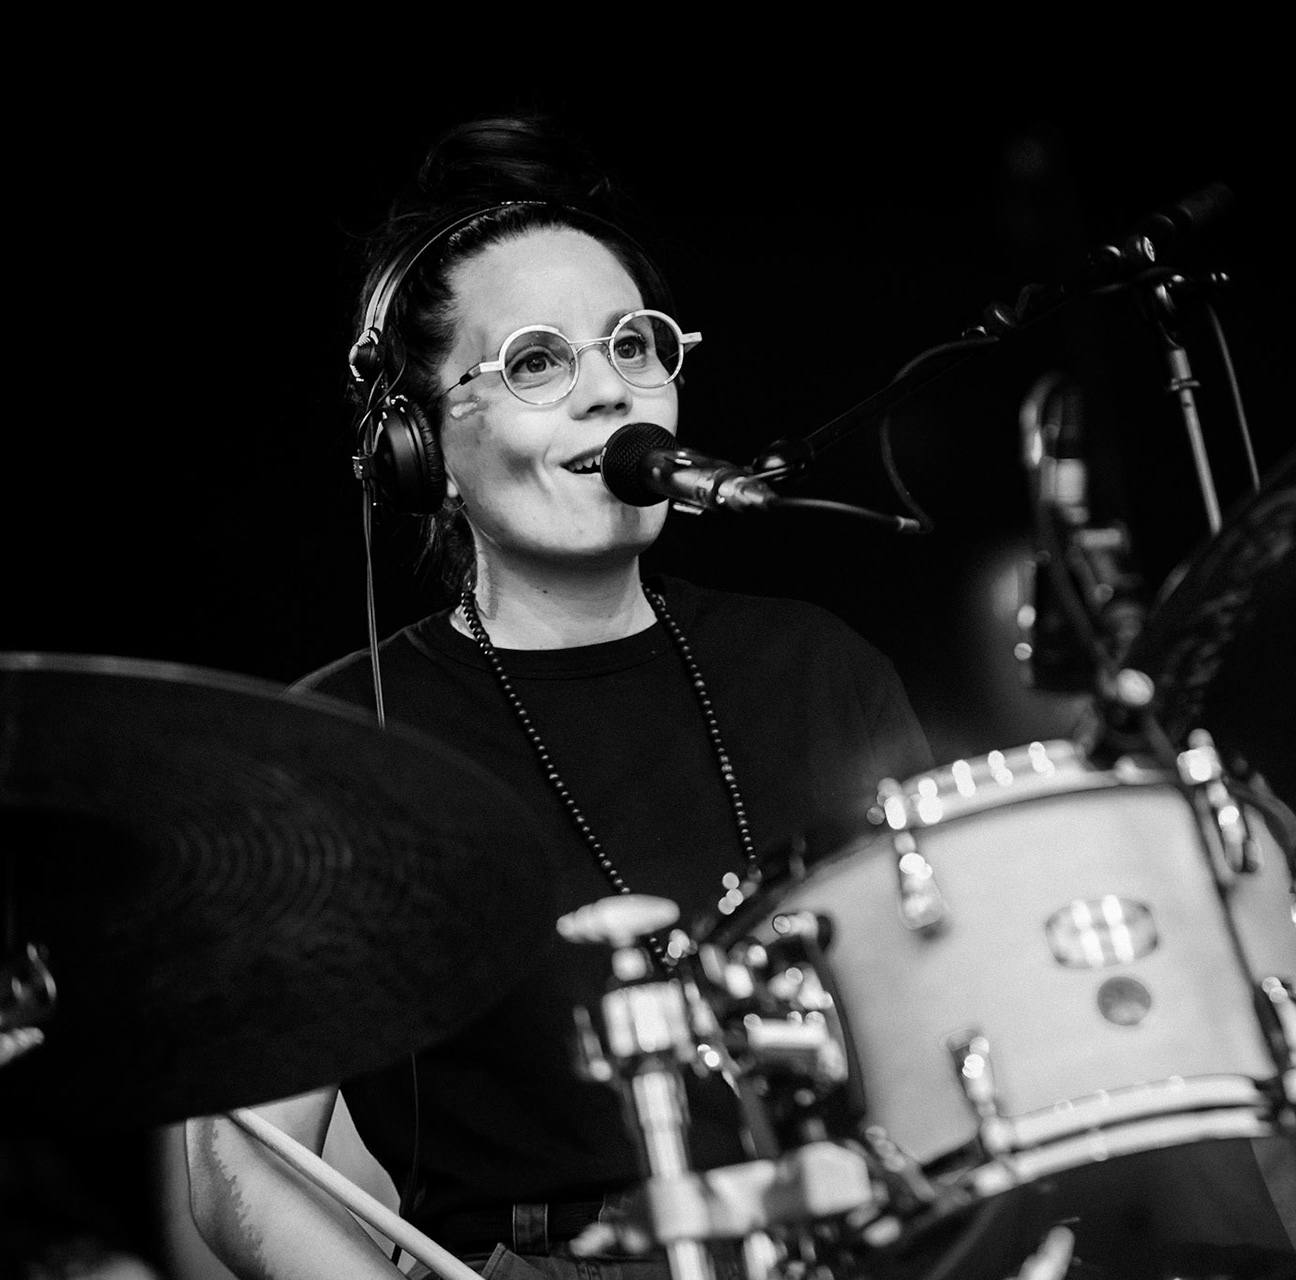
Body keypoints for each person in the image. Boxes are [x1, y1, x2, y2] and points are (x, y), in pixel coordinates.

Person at [182, 115, 933, 1280]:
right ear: (414, 442)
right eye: (537, 360)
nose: (605, 393)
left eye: (634, 345)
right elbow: (242, 1170)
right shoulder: (342, 740)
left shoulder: (822, 669)